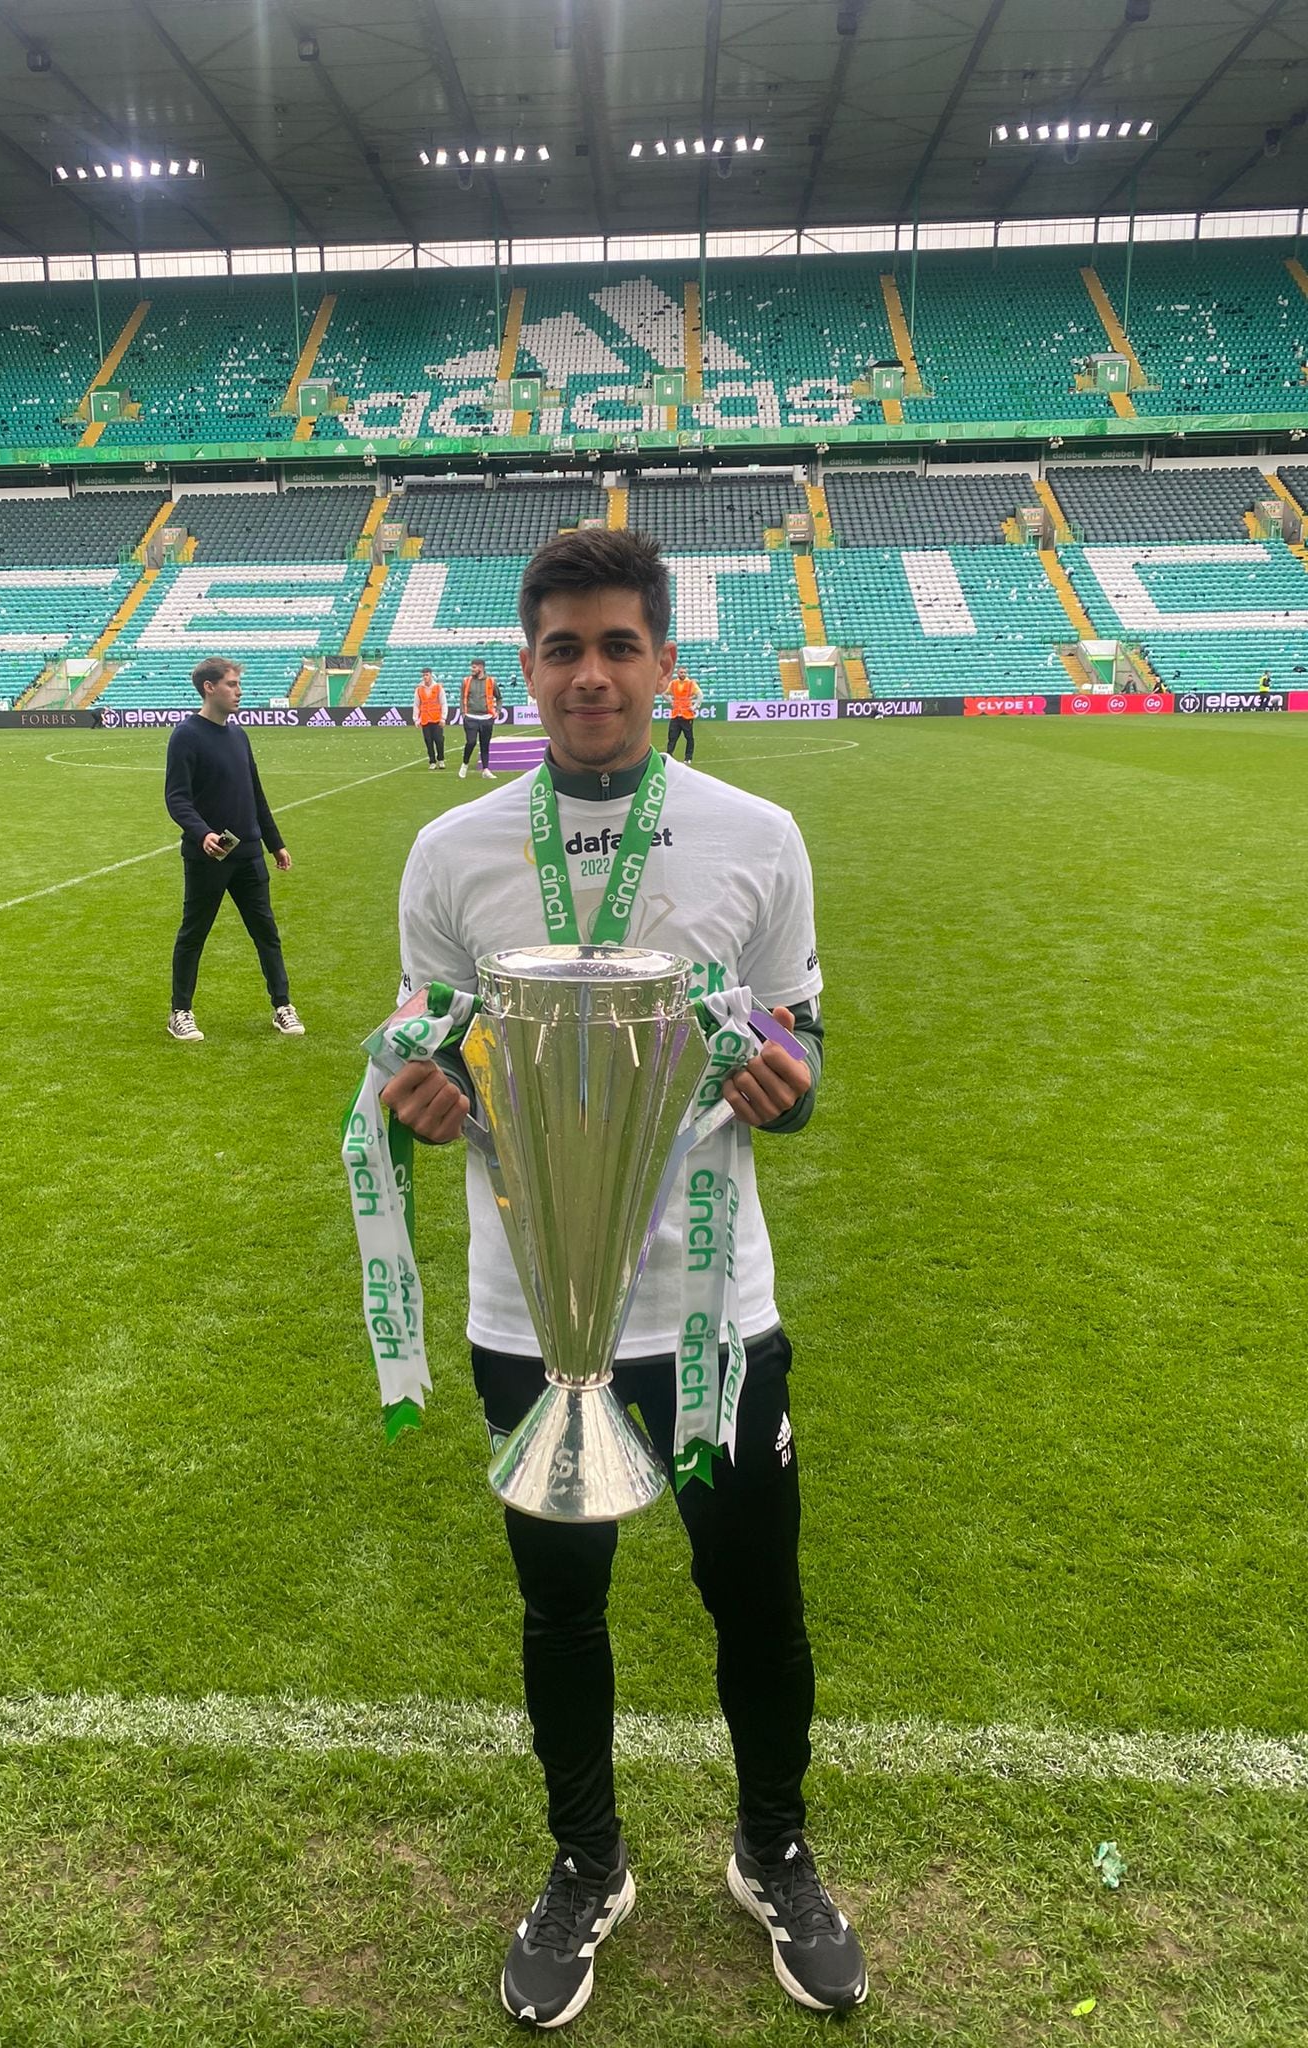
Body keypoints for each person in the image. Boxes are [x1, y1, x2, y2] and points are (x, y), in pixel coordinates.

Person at [381, 529, 865, 2029]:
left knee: (754, 1598)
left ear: (663, 665)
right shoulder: (453, 852)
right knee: (560, 1608)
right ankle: (587, 1865)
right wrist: (418, 1093)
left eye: (617, 647)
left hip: (714, 1311)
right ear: (525, 668)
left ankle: (772, 1849)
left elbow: (802, 1045)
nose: (589, 674)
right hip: (528, 1316)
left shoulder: (758, 833)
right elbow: (417, 1046)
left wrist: (793, 1086)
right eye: (561, 649)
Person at [163, 655, 302, 1043]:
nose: (239, 691)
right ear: (210, 688)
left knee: (266, 933)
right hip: (208, 857)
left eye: (238, 684)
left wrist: (276, 843)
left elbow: (255, 794)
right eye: (231, 684)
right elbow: (176, 798)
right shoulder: (186, 736)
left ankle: (282, 1006)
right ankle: (180, 1012)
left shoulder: (239, 735)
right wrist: (201, 832)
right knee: (194, 933)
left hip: (249, 856)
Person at [458, 657, 502, 780]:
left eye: (474, 667)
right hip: (471, 717)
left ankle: (486, 769)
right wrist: (463, 713)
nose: (472, 669)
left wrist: (497, 711)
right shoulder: (466, 681)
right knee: (471, 742)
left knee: (485, 744)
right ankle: (465, 764)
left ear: (481, 668)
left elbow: (499, 697)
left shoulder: (491, 681)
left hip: (487, 718)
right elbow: (462, 698)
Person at [665, 664, 703, 762]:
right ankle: (669, 756)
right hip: (676, 714)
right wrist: (671, 702)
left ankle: (688, 757)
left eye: (684, 672)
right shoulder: (673, 683)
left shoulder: (691, 683)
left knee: (689, 737)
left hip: (687, 715)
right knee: (672, 737)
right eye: (681, 672)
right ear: (678, 673)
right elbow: (664, 693)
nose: (683, 674)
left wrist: (694, 706)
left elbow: (700, 695)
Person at [415, 667, 448, 770]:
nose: (425, 677)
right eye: (424, 675)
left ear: (431, 675)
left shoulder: (438, 688)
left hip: (436, 718)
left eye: (427, 675)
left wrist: (443, 717)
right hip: (425, 719)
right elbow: (416, 704)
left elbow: (443, 703)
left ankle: (441, 759)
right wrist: (416, 718)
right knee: (428, 741)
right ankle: (432, 761)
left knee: (439, 740)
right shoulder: (419, 689)